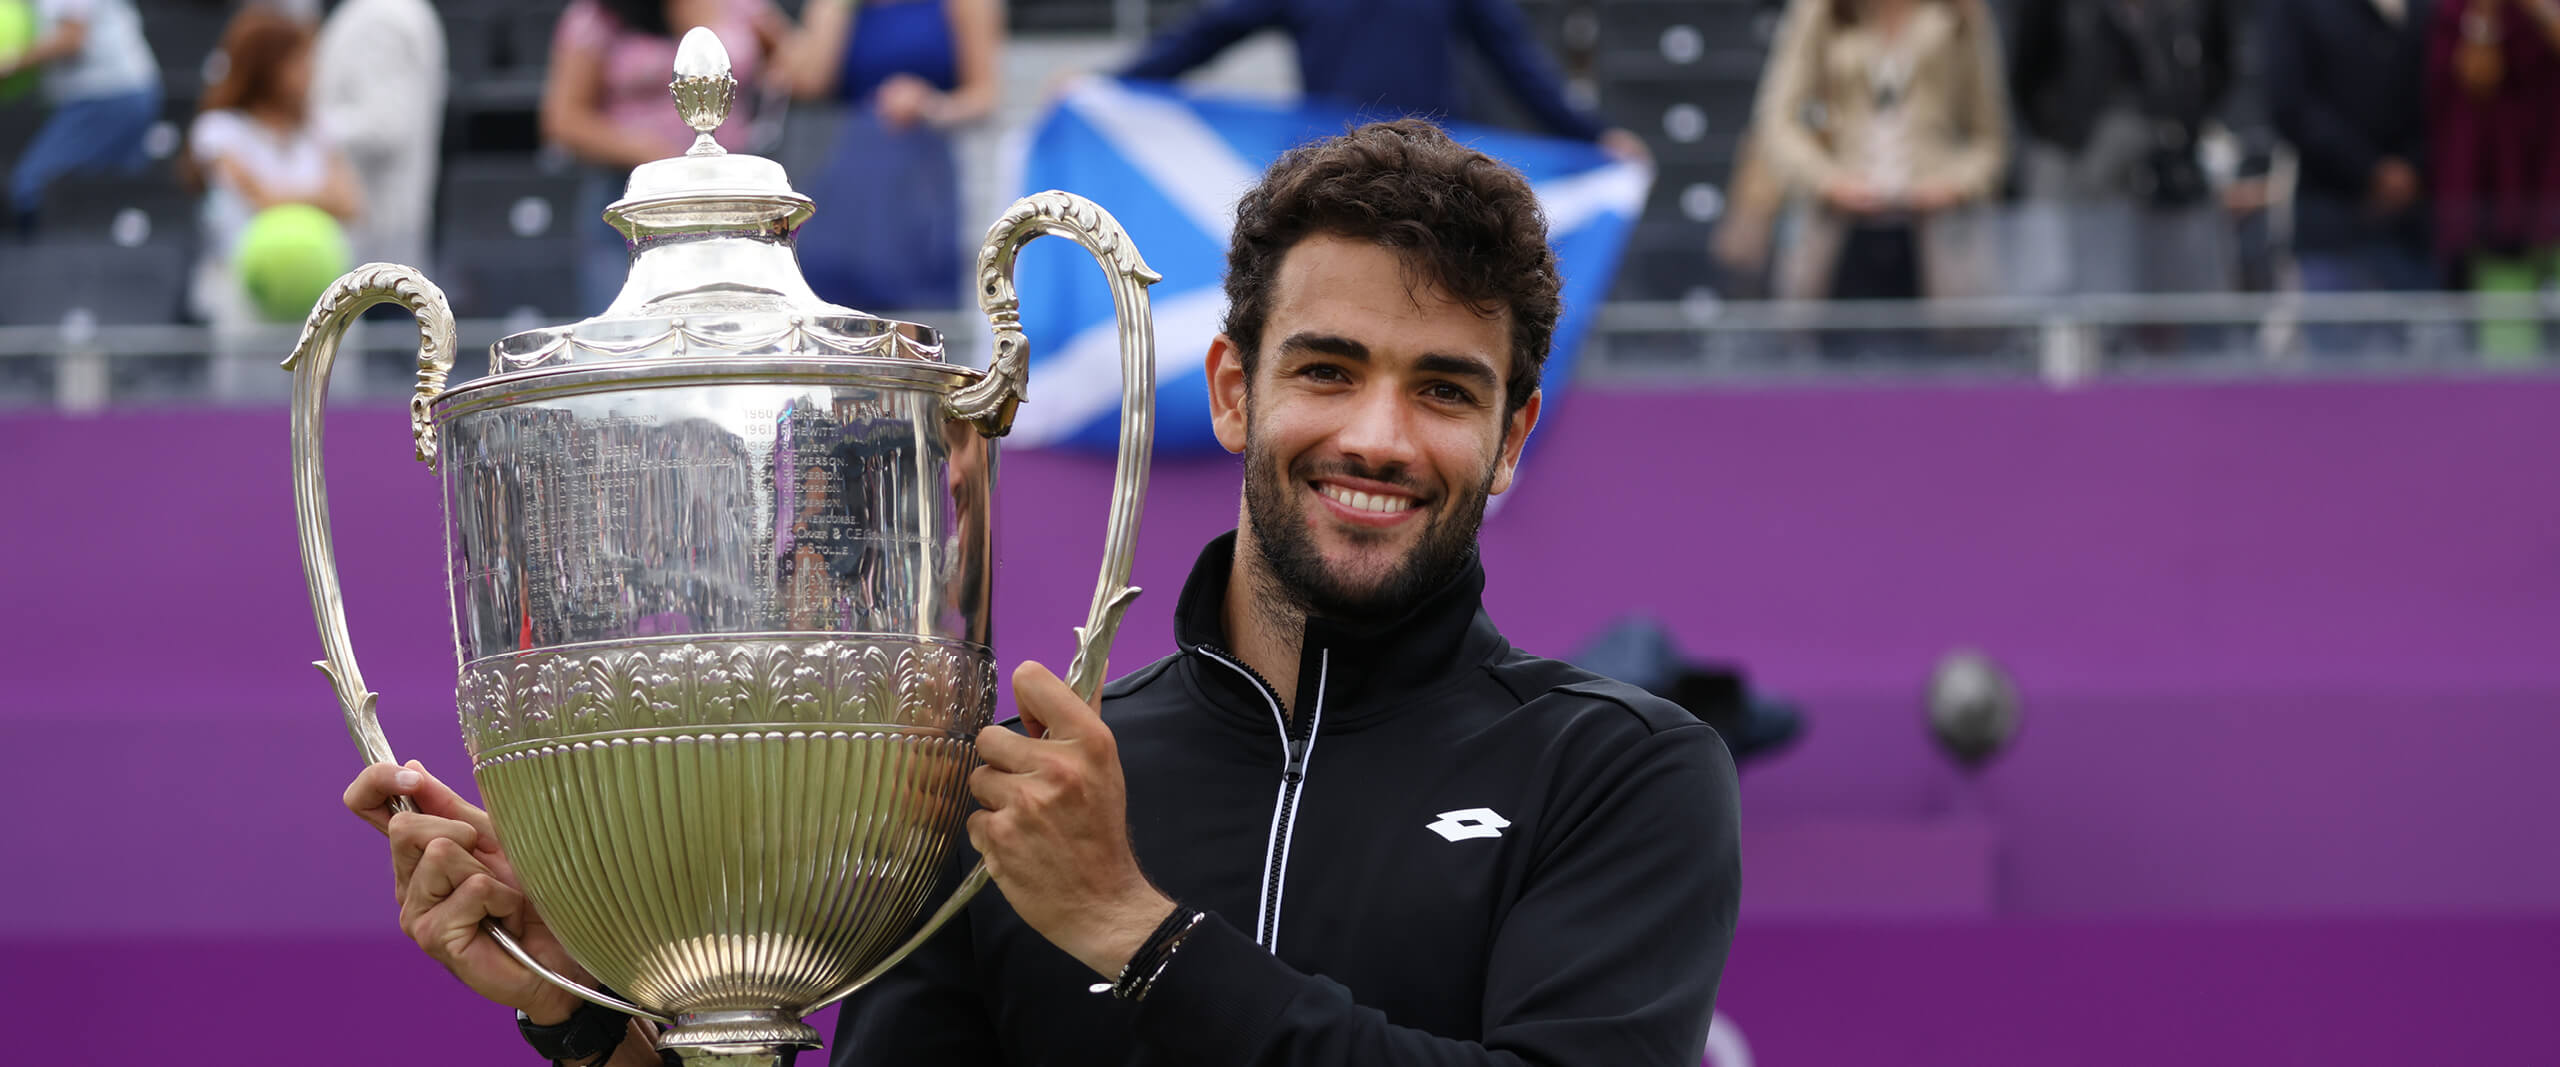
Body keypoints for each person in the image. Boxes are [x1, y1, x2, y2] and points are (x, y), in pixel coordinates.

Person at [344, 120, 1741, 1066]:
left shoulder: (1618, 773)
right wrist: (597, 1018)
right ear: (1232, 389)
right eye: (1328, 369)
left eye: (1443, 390)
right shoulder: (1022, 797)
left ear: (1511, 436)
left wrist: (1134, 927)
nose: (1376, 435)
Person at [1113, 0, 1650, 162]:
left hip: (1434, 173)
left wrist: (1594, 136)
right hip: (1333, 172)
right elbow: (1204, 36)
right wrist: (1112, 89)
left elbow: (1518, 62)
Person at [1749, 0, 2009, 304]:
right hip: (1836, 227)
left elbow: (1991, 139)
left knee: (1946, 323)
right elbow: (1779, 123)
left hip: (1936, 232)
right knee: (1829, 323)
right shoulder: (1821, 10)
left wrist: (1954, 186)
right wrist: (1827, 182)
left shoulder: (1958, 12)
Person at [541, 0, 784, 315]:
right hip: (633, 202)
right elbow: (563, 120)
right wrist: (651, 152)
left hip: (727, 200)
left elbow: (804, 72)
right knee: (631, 329)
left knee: (728, 324)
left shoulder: (739, 5)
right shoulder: (597, 17)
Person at [770, 0, 1001, 312]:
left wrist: (930, 106)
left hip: (919, 179)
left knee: (915, 307)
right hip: (844, 177)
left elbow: (984, 96)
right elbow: (810, 82)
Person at [2009, 0, 2241, 298]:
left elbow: (2220, 65)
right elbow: (2026, 72)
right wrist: (2063, 129)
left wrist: (2185, 124)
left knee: (2171, 295)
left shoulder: (2187, 10)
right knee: (2079, 287)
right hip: (2076, 169)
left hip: (2167, 174)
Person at [182, 6, 361, 330]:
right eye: (298, 61)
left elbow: (350, 204)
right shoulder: (218, 130)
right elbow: (263, 201)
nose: (310, 71)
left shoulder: (317, 128)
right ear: (267, 66)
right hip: (248, 297)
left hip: (324, 295)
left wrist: (287, 197)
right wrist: (319, 199)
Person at [2261, 0, 2437, 297]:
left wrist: (2413, 166)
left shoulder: (2426, 9)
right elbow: (2289, 103)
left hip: (2415, 225)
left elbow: (2444, 96)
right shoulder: (2298, 8)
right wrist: (2371, 171)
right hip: (2330, 218)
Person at [2427, 0, 2560, 361]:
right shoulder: (2461, 9)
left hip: (2552, 175)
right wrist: (2485, 14)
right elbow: (2478, 77)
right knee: (2509, 356)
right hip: (2502, 200)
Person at [1, 0, 160, 236]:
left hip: (109, 95)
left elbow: (72, 38)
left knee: (32, 188)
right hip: (108, 94)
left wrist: (12, 62)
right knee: (99, 201)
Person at [309, 0, 446, 271]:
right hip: (375, 224)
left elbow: (385, 126)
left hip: (375, 225)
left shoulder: (379, 18)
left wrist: (300, 129)